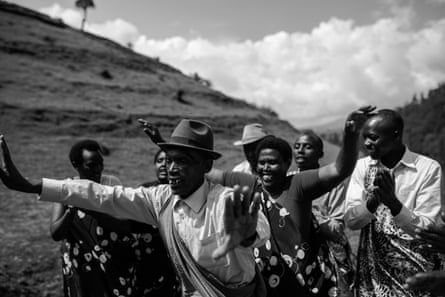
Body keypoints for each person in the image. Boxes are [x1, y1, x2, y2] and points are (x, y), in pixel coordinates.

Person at [0, 119, 270, 297]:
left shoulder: (224, 200)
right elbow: (105, 195)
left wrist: (247, 236)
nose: (173, 168)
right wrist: (34, 186)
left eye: (183, 161)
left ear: (206, 167)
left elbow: (258, 227)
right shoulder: (161, 199)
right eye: (170, 160)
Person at [207, 106, 375, 297]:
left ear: (287, 163)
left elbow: (339, 169)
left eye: (273, 162)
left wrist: (351, 135)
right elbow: (212, 175)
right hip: (265, 284)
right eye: (262, 163)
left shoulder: (297, 184)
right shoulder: (252, 184)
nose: (266, 168)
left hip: (302, 284)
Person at [344, 109, 443, 297]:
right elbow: (351, 222)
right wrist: (372, 203)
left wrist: (393, 204)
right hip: (374, 277)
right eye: (364, 137)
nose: (366, 143)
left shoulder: (427, 169)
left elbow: (427, 228)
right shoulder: (363, 167)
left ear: (395, 135)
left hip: (416, 274)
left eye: (373, 138)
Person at [49, 139, 138, 297]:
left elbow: (124, 223)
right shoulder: (65, 189)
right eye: (91, 165)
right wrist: (72, 208)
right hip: (82, 266)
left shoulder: (111, 183)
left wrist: (89, 207)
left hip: (114, 263)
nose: (98, 169)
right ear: (76, 165)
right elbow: (56, 233)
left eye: (100, 164)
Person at [292, 130, 355, 297]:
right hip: (294, 254)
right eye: (297, 146)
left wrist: (308, 214)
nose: (300, 150)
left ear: (320, 153)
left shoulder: (332, 182)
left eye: (307, 147)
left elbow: (337, 228)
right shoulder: (287, 181)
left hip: (326, 256)